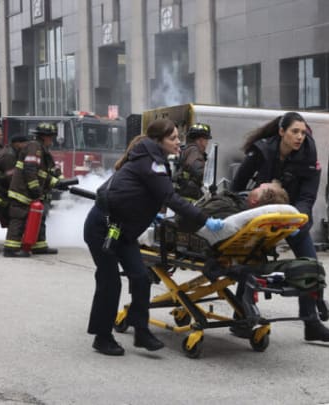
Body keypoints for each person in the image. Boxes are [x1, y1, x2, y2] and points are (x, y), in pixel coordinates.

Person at [84, 119, 225, 356]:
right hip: (103, 227)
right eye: (173, 138)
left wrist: (152, 216)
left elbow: (148, 195)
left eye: (178, 137)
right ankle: (102, 337)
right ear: (158, 141)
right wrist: (204, 220)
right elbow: (169, 197)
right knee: (110, 281)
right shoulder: (150, 163)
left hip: (122, 229)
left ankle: (141, 332)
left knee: (140, 277)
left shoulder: (152, 160)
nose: (178, 142)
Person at [230, 112, 329, 342]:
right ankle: (241, 319)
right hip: (259, 214)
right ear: (282, 132)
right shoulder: (261, 151)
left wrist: (298, 218)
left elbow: (308, 197)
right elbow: (237, 187)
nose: (300, 137)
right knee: (251, 262)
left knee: (310, 265)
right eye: (294, 131)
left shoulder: (310, 157)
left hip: (292, 215)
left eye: (303, 132)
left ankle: (311, 323)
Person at [3, 122, 61, 257]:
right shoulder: (34, 147)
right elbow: (30, 169)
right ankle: (11, 249)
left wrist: (56, 181)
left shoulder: (42, 149)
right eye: (51, 137)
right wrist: (34, 188)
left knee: (39, 218)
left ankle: (39, 246)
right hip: (22, 191)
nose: (52, 140)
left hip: (30, 191)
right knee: (19, 219)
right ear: (44, 136)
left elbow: (43, 172)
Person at [174, 122, 212, 201]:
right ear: (201, 140)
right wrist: (207, 180)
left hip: (181, 196)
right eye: (206, 140)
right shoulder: (194, 151)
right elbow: (198, 170)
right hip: (189, 199)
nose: (207, 143)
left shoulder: (186, 149)